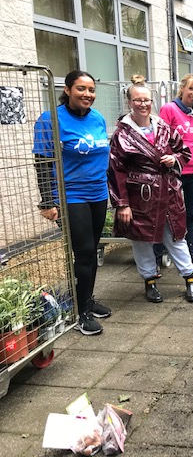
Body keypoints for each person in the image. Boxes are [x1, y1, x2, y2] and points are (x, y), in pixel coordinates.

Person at [33, 70, 112, 335]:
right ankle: (79, 312)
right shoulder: (51, 120)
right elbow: (43, 162)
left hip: (98, 193)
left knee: (92, 250)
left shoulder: (98, 118)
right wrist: (48, 201)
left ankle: (86, 299)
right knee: (85, 251)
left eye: (91, 90)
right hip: (71, 195)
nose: (87, 94)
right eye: (81, 88)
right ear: (67, 90)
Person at [108, 76, 193, 304]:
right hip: (140, 196)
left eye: (147, 100)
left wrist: (174, 158)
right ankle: (149, 282)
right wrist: (122, 204)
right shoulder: (122, 134)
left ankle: (190, 279)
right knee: (142, 241)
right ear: (129, 102)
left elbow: (184, 152)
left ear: (152, 102)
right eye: (138, 100)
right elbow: (116, 170)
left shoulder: (163, 127)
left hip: (167, 192)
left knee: (176, 237)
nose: (143, 104)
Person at [159, 73, 193, 275]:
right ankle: (158, 252)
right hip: (174, 172)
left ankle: (191, 254)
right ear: (182, 89)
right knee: (167, 214)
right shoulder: (169, 109)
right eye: (191, 89)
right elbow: (161, 139)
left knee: (192, 214)